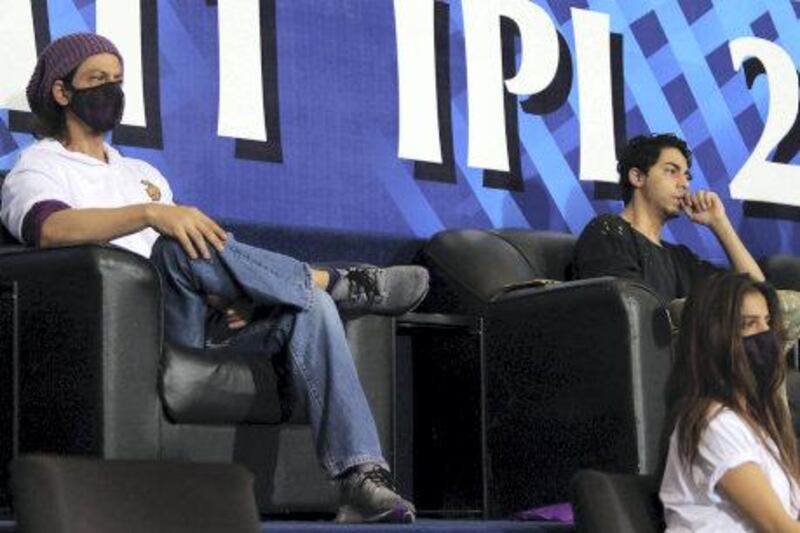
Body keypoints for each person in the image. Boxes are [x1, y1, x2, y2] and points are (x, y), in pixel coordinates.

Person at [0, 32, 428, 524]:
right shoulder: (35, 169)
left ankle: (360, 478)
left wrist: (233, 295)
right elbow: (51, 230)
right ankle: (327, 277)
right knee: (172, 242)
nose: (111, 92)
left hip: (199, 316)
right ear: (62, 92)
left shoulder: (143, 171)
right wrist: (149, 214)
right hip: (131, 330)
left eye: (118, 81)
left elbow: (198, 257)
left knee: (311, 308)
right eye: (97, 81)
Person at [660, 272, 800, 532]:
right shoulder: (714, 424)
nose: (766, 335)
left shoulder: (759, 422)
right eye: (749, 324)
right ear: (715, 338)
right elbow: (778, 527)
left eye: (767, 322)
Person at [573, 133, 764, 299]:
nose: (685, 184)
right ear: (638, 177)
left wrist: (720, 223)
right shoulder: (607, 232)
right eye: (672, 171)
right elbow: (629, 312)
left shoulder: (681, 258)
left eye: (687, 176)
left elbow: (758, 296)